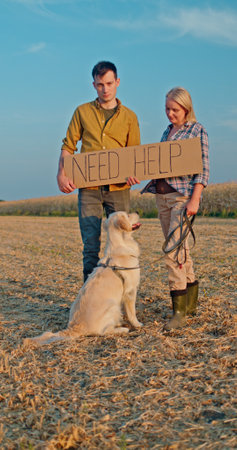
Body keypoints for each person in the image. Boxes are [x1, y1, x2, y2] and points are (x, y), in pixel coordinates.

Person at [57, 61, 140, 282]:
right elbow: (68, 146)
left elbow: (134, 155)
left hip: (119, 189)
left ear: (118, 82)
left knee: (121, 244)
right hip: (89, 189)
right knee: (90, 246)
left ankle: (119, 296)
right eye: (100, 84)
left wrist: (134, 172)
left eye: (109, 83)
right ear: (94, 85)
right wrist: (62, 174)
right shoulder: (82, 112)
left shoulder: (130, 117)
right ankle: (89, 297)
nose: (105, 89)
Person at [142, 87, 209, 330]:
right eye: (167, 109)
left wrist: (195, 199)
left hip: (181, 198)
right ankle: (190, 306)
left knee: (172, 251)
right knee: (182, 252)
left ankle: (178, 313)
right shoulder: (166, 132)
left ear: (186, 108)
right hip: (162, 199)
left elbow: (202, 169)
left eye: (174, 109)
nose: (170, 114)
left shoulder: (197, 130)